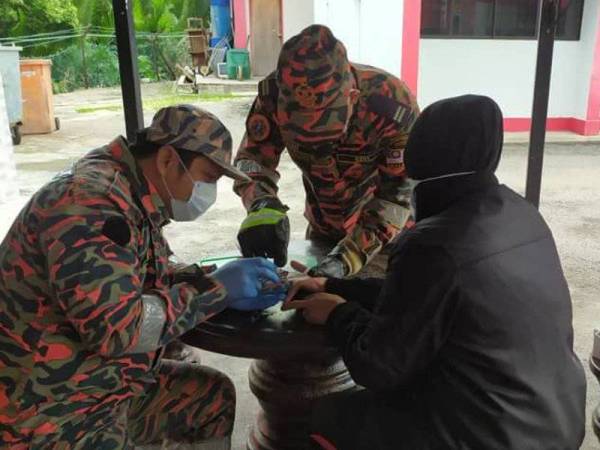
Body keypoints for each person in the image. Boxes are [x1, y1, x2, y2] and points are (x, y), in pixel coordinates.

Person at [283, 95, 587, 449]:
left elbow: (379, 366)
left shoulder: (432, 242)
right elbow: (426, 297)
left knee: (322, 416)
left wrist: (336, 312)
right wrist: (337, 285)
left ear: (421, 150)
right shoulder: (520, 213)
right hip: (554, 421)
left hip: (488, 436)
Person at [0, 105, 286, 449]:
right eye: (207, 178)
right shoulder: (91, 203)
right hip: (49, 410)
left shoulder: (129, 193)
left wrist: (207, 278)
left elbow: (149, 270)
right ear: (167, 160)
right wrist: (216, 291)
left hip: (99, 385)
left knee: (208, 398)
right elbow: (118, 330)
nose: (208, 192)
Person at [233, 24, 419, 278]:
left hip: (383, 240)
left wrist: (348, 259)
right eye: (301, 135)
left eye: (324, 135)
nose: (314, 147)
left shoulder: (390, 104)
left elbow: (397, 196)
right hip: (322, 232)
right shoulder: (272, 96)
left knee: (366, 312)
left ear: (352, 99)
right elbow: (252, 161)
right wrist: (262, 204)